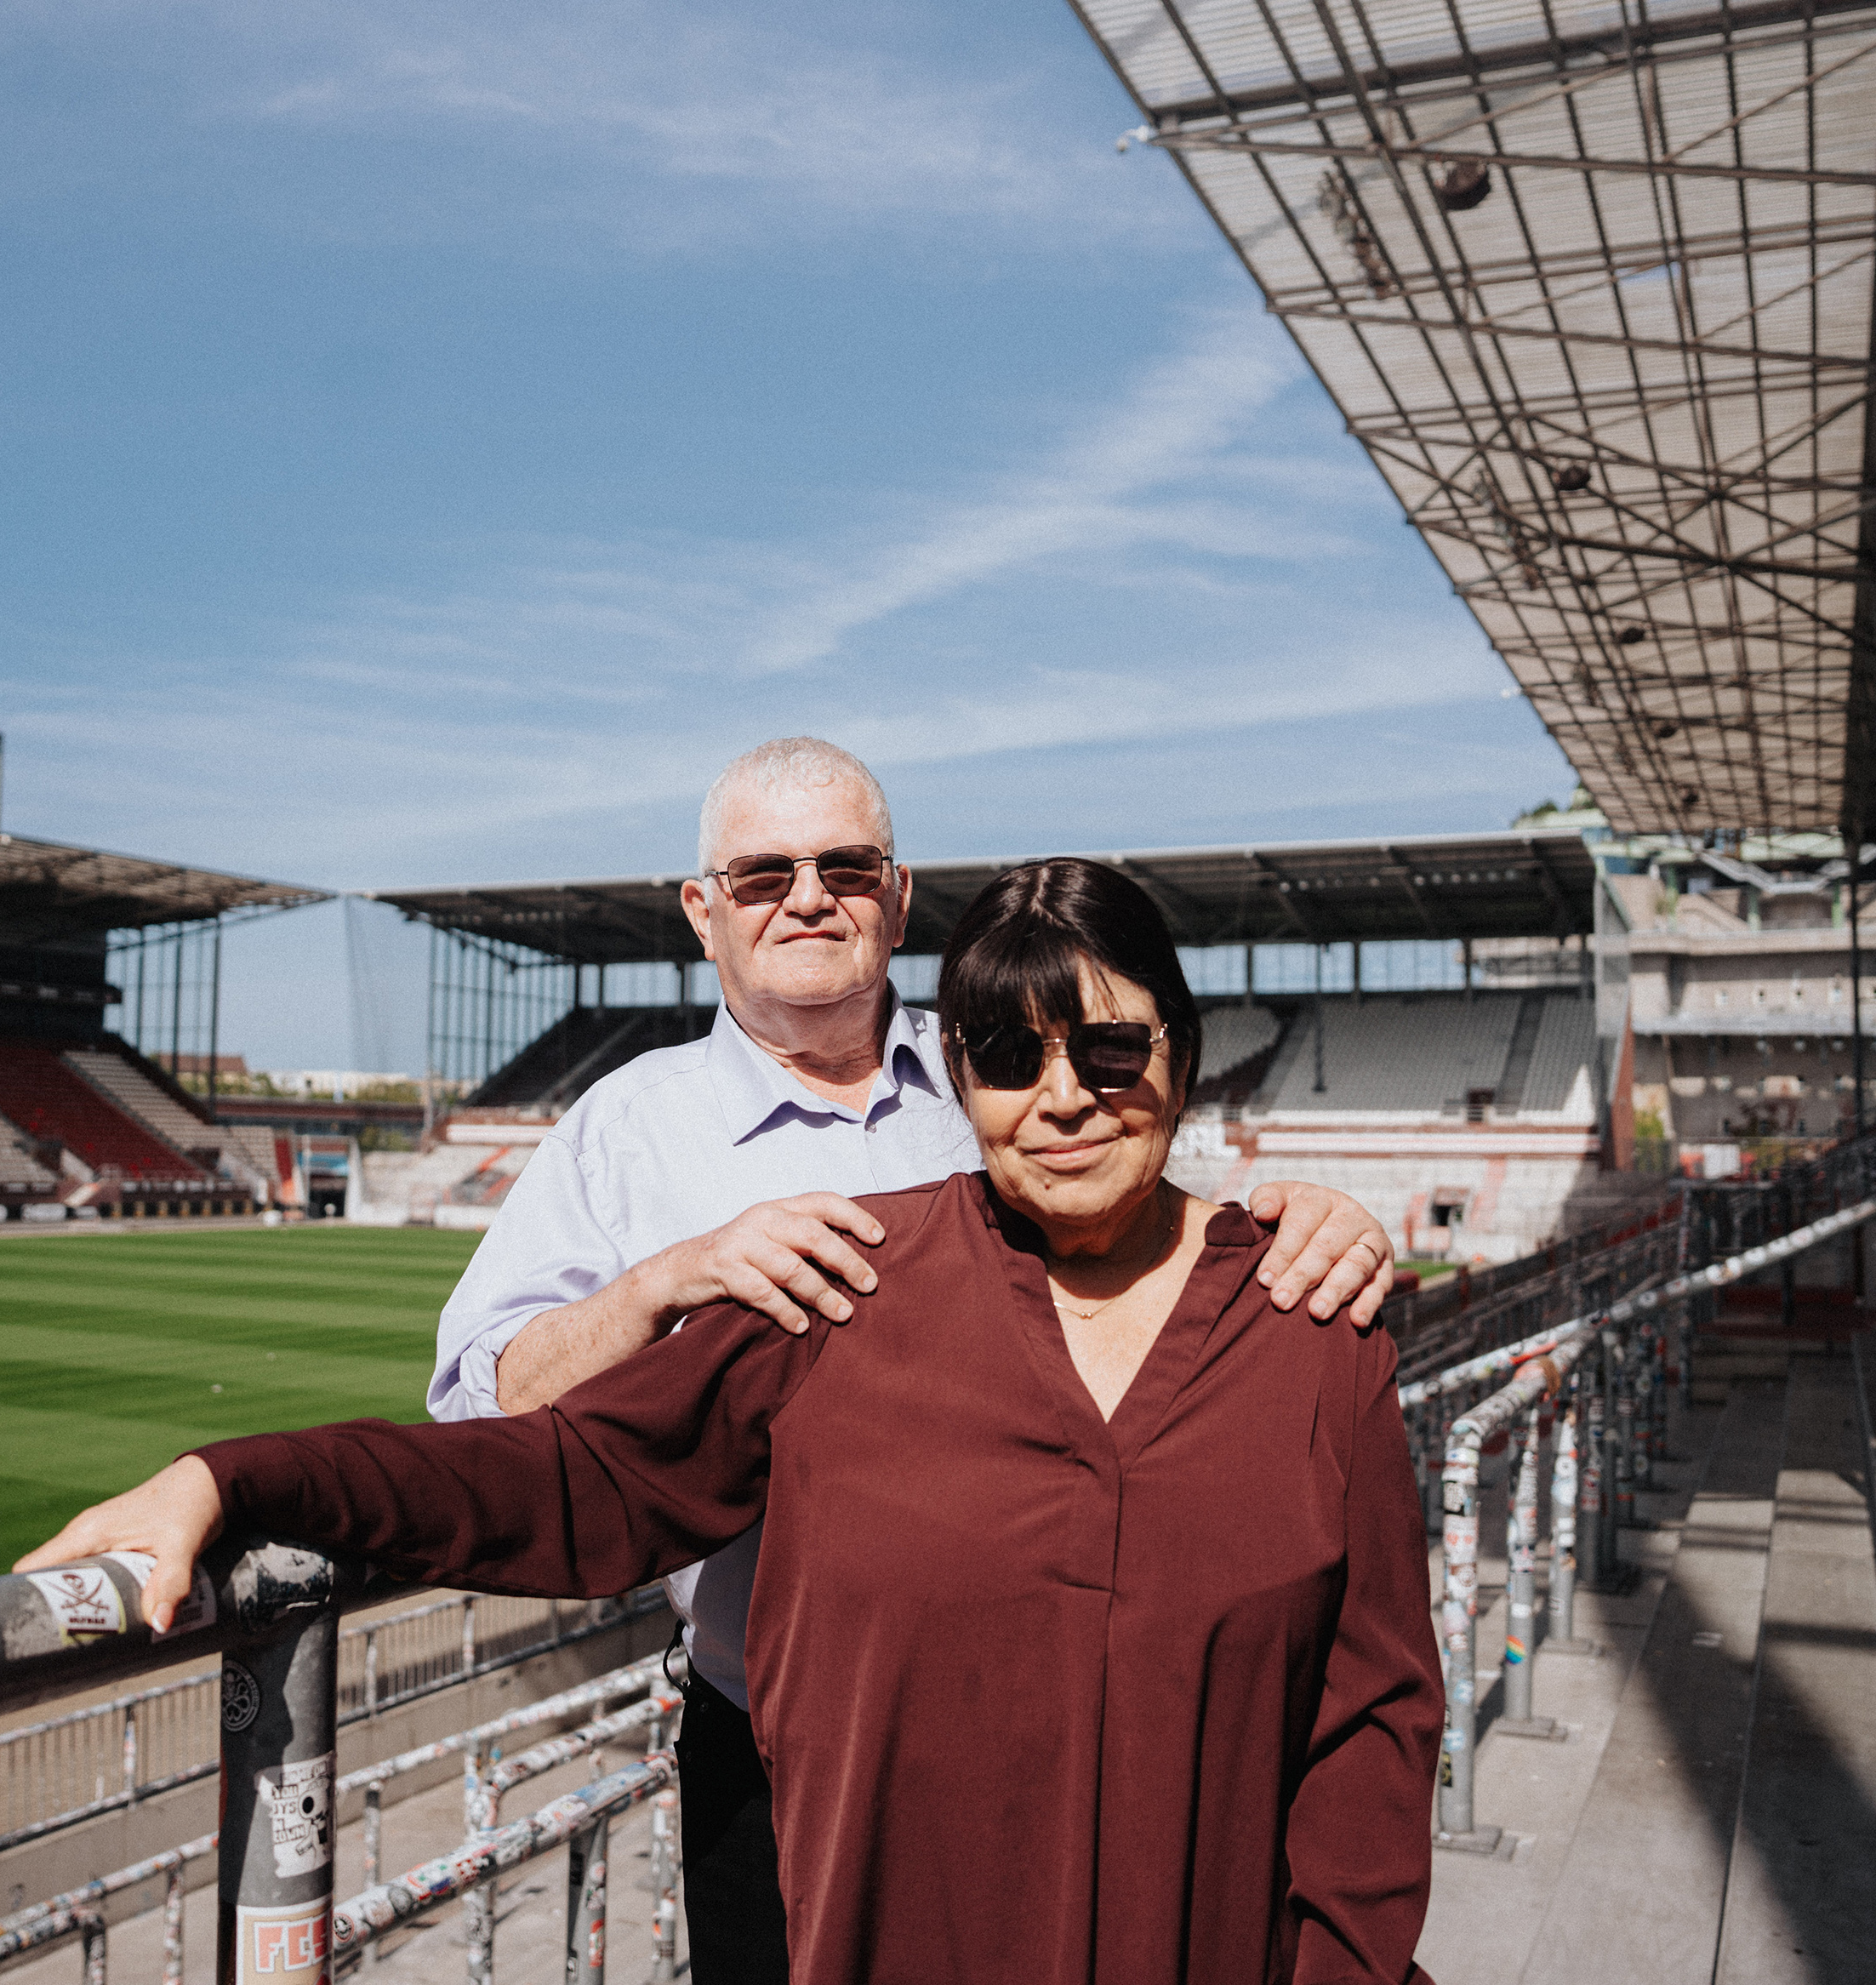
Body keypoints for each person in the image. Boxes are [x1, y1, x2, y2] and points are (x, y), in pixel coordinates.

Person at [23, 857, 1440, 1985]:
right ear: (963, 1079)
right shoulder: (840, 1288)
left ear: (1183, 1059)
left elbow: (1373, 1718)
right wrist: (233, 1476)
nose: (1065, 1095)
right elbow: (559, 1479)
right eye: (1012, 1053)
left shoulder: (1317, 1330)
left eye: (1113, 1050)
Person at [426, 739, 1400, 1977]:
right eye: (764, 873)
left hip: (1059, 1726)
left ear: (896, 894)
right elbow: (481, 1413)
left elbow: (1158, 1252)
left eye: (845, 864)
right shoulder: (624, 1127)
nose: (808, 896)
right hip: (778, 1743)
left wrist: (1317, 1217)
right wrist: (666, 1280)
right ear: (703, 909)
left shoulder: (1003, 1053)